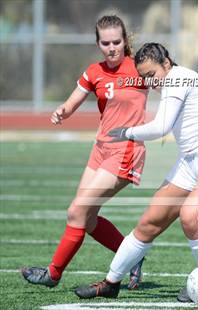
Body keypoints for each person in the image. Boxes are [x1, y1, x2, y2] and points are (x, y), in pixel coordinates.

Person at [73, 42, 198, 301]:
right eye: (144, 78)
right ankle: (111, 283)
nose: (150, 83)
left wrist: (127, 132)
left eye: (152, 75)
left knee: (191, 216)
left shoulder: (179, 77)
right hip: (190, 161)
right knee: (149, 223)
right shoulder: (170, 82)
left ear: (167, 63)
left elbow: (161, 126)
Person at [21, 15, 147, 290]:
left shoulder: (139, 68)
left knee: (79, 210)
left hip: (126, 150)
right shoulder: (94, 71)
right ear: (98, 43)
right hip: (100, 150)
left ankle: (53, 274)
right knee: (83, 217)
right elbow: (72, 102)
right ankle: (133, 256)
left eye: (117, 41)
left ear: (125, 41)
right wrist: (61, 112)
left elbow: (173, 85)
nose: (112, 47)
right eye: (106, 43)